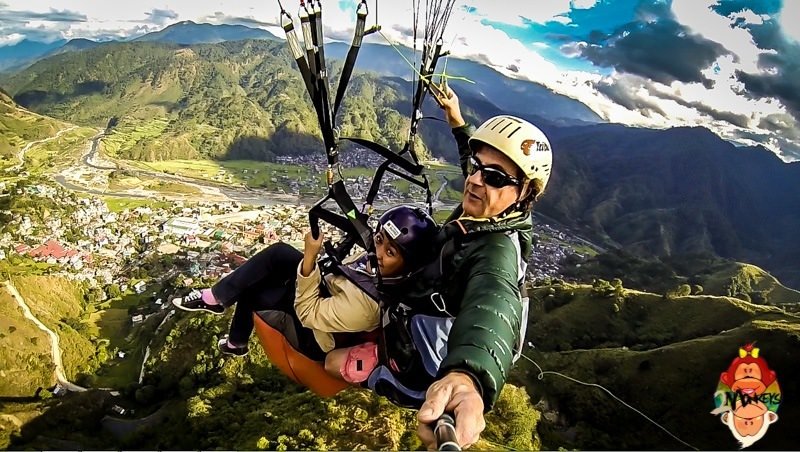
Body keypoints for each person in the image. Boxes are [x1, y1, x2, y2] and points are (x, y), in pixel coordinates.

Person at [373, 84, 552, 449]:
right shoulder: (487, 215)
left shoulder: (497, 249)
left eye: (495, 178)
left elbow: (493, 305)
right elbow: (479, 167)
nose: (474, 180)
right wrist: (457, 120)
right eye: (475, 167)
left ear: (525, 194)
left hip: (418, 355)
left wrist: (468, 378)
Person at [172, 205, 438, 366]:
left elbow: (308, 313)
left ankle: (230, 330)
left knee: (255, 290)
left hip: (315, 335)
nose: (378, 252)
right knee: (279, 254)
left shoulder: (368, 304)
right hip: (327, 292)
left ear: (407, 266)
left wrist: (310, 257)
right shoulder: (378, 268)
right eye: (379, 240)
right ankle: (223, 314)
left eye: (390, 252)